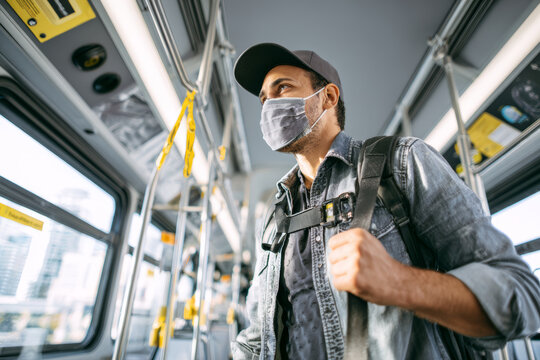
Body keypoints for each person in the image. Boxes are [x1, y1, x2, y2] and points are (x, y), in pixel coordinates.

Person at [231, 42, 540, 359]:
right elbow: (257, 338)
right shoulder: (273, 219)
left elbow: (523, 298)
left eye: (282, 88)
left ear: (328, 97)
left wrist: (400, 282)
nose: (269, 107)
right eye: (264, 99)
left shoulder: (402, 163)